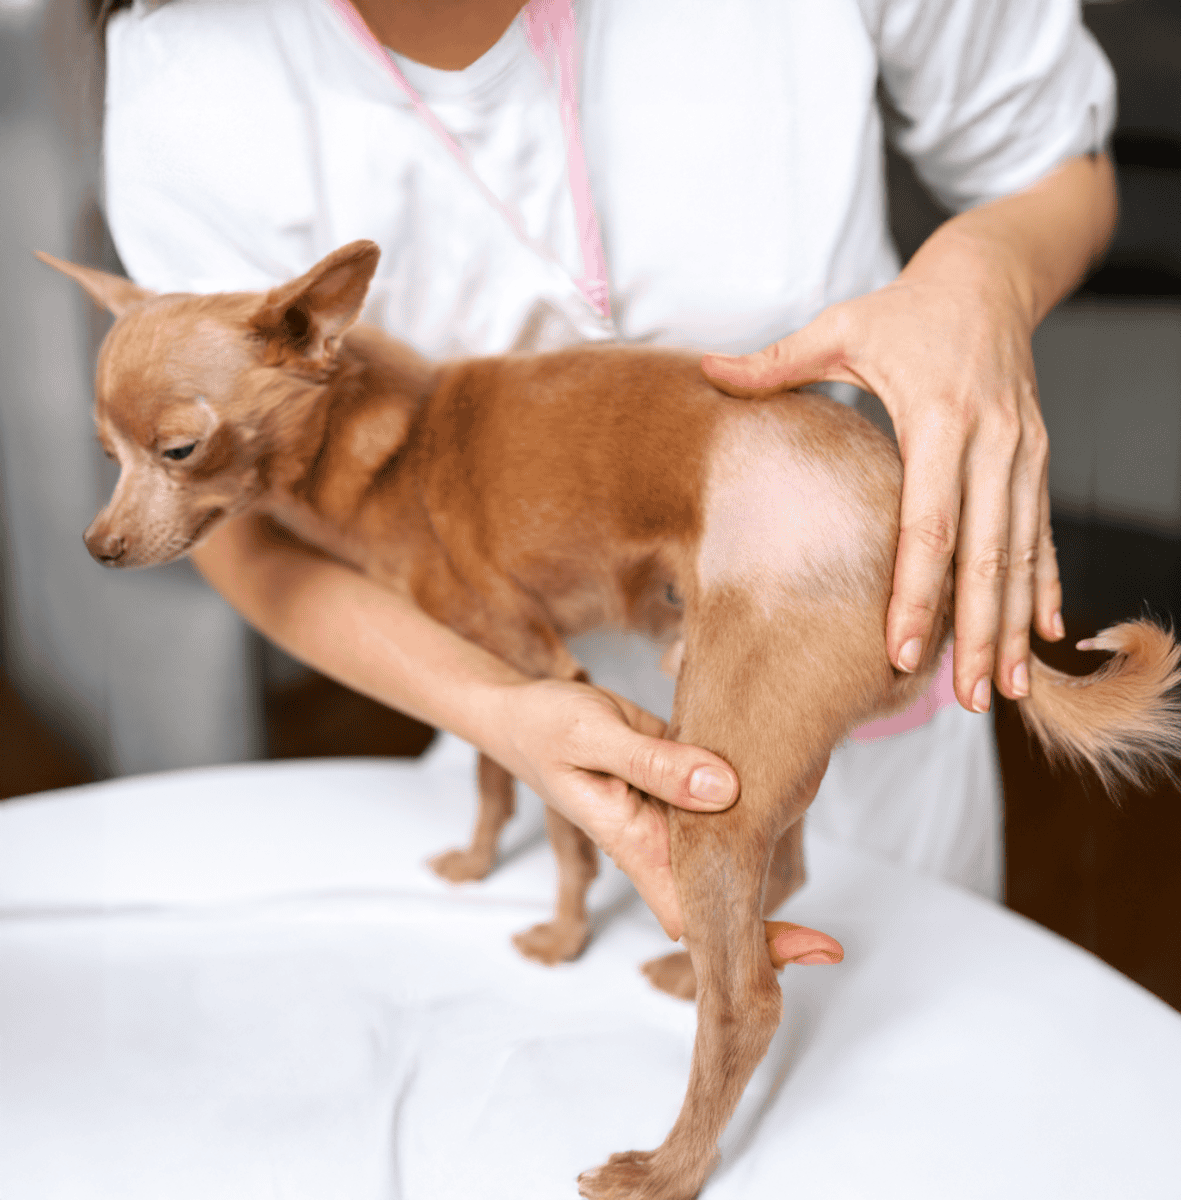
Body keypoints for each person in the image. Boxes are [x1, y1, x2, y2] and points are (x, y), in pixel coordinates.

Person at [97, 0, 1117, 946]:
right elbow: (238, 524)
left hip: (851, 636)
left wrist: (986, 277)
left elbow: (1051, 164)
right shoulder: (188, 69)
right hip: (510, 704)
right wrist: (494, 709)